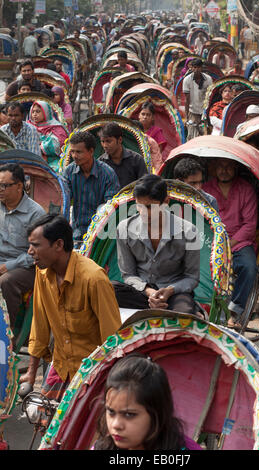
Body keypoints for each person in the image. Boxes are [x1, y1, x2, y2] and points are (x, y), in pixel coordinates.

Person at [19, 215, 121, 400]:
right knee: (43, 422)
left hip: (93, 371)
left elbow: (111, 337)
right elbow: (39, 325)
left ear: (58, 245)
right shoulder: (42, 272)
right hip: (61, 366)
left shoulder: (94, 278)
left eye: (36, 245)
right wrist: (31, 373)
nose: (30, 251)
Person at [113, 174, 200, 314]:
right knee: (108, 290)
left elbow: (192, 277)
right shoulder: (124, 228)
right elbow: (128, 274)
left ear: (165, 201)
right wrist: (149, 292)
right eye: (139, 206)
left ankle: (189, 308)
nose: (143, 212)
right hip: (141, 292)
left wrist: (170, 290)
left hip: (173, 294)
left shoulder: (189, 231)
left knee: (184, 311)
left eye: (149, 207)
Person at [92, 354, 201, 450]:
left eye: (129, 414)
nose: (116, 425)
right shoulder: (102, 447)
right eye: (111, 412)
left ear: (157, 414)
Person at [203, 159, 258, 329]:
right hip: (211, 240)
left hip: (239, 241)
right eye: (220, 166)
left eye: (228, 167)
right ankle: (204, 306)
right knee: (201, 267)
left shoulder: (246, 189)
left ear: (235, 169)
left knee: (249, 268)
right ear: (214, 168)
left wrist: (228, 244)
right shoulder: (206, 189)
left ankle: (235, 310)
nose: (224, 170)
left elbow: (249, 224)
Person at [0, 163, 45, 329]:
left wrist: (7, 266)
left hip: (27, 267)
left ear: (19, 186)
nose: (0, 189)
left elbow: (37, 253)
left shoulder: (35, 213)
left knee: (6, 281)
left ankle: (6, 335)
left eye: (4, 186)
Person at [62, 131, 119, 245]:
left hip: (102, 232)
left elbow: (110, 207)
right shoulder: (69, 171)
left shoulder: (107, 173)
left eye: (79, 152)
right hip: (76, 231)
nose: (74, 156)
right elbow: (63, 199)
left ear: (91, 151)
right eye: (72, 151)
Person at [98, 122, 148, 189]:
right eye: (103, 141)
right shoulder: (100, 163)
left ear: (120, 140)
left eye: (108, 141)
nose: (105, 145)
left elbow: (145, 186)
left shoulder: (136, 159)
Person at [27, 100, 68, 171]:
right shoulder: (28, 126)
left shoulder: (56, 127)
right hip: (32, 158)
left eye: (38, 111)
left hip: (52, 160)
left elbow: (59, 145)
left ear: (46, 112)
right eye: (33, 112)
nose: (34, 114)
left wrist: (40, 147)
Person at [183, 58, 213, 140]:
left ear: (201, 68)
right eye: (194, 67)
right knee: (192, 136)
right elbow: (187, 99)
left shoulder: (208, 79)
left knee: (206, 135)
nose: (196, 70)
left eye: (198, 67)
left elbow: (210, 97)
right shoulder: (187, 80)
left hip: (205, 111)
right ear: (191, 68)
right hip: (193, 111)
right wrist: (186, 116)